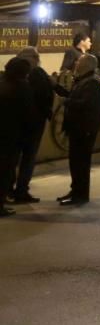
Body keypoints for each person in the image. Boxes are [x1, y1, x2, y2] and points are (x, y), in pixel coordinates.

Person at [7, 48, 54, 204]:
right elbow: (45, 96)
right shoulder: (38, 74)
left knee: (12, 157)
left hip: (16, 125)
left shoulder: (12, 77)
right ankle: (21, 190)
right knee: (28, 158)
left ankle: (8, 190)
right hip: (33, 124)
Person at [56, 54, 100, 206]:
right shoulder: (84, 80)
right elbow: (74, 95)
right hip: (78, 127)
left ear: (87, 65)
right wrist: (57, 88)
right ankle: (75, 190)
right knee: (75, 162)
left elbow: (86, 104)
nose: (76, 63)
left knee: (81, 163)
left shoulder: (93, 82)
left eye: (79, 61)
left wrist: (66, 101)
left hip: (84, 128)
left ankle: (80, 194)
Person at [0, 58, 32, 216]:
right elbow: (27, 113)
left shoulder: (2, 82)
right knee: (6, 171)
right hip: (11, 136)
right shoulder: (21, 87)